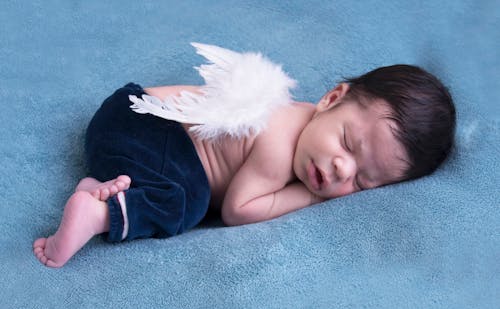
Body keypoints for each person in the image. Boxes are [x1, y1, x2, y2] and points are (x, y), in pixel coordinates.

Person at [33, 64, 456, 268]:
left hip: (120, 126)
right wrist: (304, 195)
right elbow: (238, 209)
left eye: (363, 180)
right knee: (188, 202)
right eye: (347, 143)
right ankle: (99, 213)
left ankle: (103, 184)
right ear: (330, 99)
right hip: (145, 126)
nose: (343, 170)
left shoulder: (308, 123)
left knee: (177, 182)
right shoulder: (279, 138)